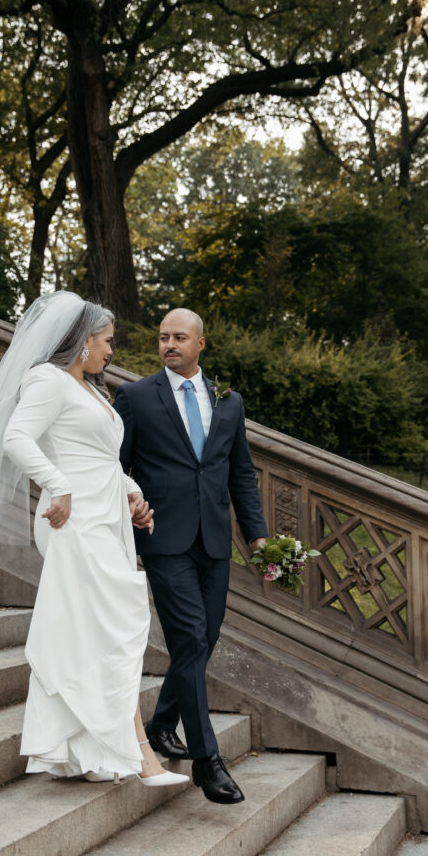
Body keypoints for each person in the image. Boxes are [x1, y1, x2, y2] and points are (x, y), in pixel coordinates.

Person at [0, 290, 188, 788]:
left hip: (105, 515)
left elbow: (100, 458)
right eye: (106, 341)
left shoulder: (90, 390)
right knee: (116, 626)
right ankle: (141, 756)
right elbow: (16, 437)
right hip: (73, 520)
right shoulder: (46, 380)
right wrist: (57, 486)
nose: (111, 351)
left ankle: (85, 754)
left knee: (93, 634)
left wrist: (133, 494)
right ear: (82, 341)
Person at [114, 308, 268, 804]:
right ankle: (208, 760)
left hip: (215, 541)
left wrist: (258, 535)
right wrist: (127, 517)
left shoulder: (229, 401)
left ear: (201, 344)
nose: (169, 344)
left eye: (180, 337)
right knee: (190, 636)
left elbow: (240, 473)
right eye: (163, 337)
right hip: (162, 538)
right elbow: (115, 468)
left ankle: (161, 726)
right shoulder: (136, 397)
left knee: (202, 643)